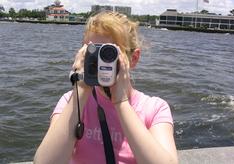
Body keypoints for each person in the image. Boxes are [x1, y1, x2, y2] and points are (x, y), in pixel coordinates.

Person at [34, 11, 178, 164]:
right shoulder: (71, 101)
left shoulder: (155, 108)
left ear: (133, 59)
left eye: (109, 53)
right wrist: (81, 89)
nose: (100, 63)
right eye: (92, 52)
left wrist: (121, 102)